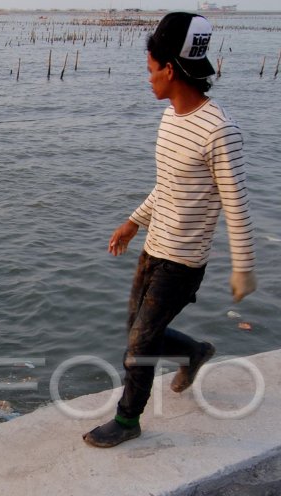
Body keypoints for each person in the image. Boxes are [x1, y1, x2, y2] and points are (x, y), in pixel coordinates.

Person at [83, 11, 257, 449]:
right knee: (138, 334)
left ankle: (127, 421)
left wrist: (244, 268)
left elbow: (236, 205)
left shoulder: (221, 130)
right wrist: (132, 223)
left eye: (150, 70)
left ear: (171, 69)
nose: (148, 79)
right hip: (154, 247)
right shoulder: (170, 120)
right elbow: (167, 186)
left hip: (184, 261)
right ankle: (195, 352)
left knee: (139, 345)